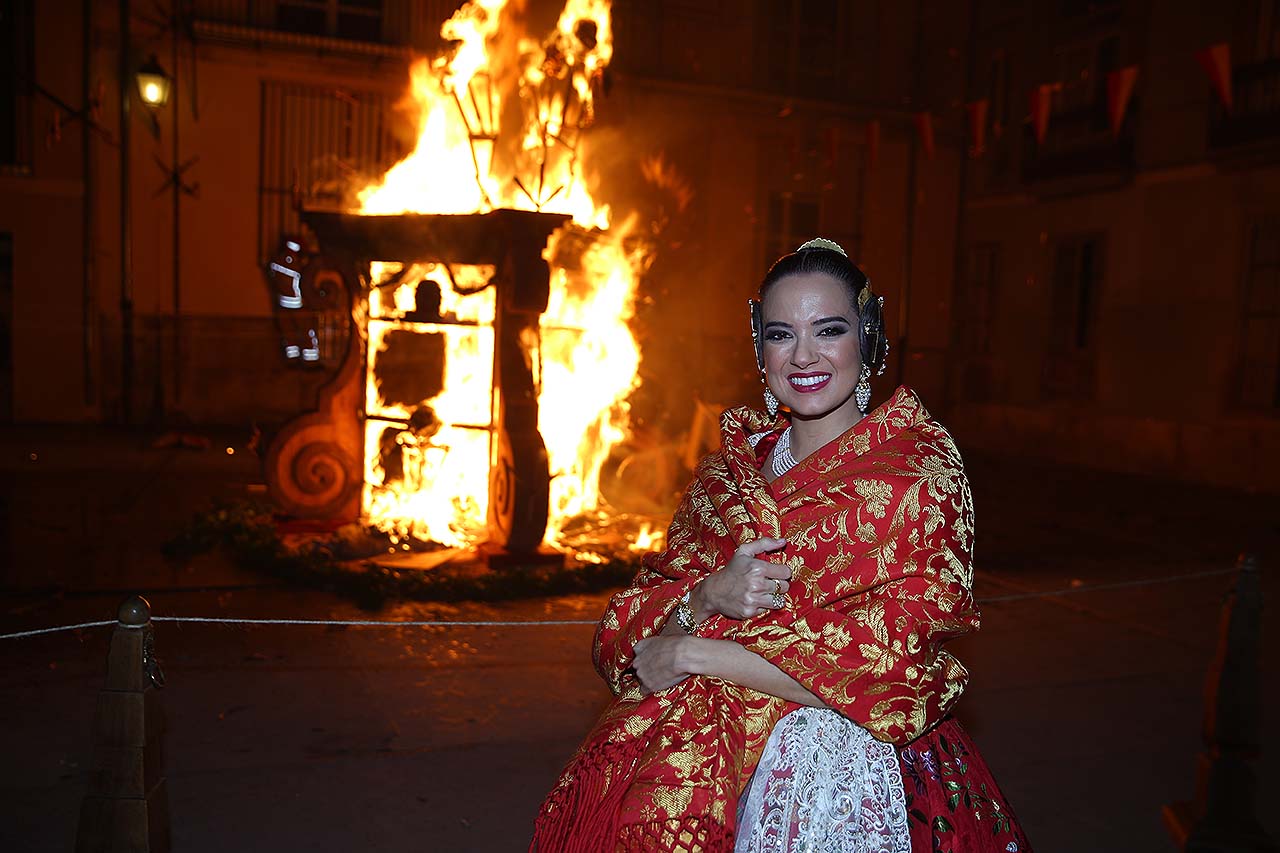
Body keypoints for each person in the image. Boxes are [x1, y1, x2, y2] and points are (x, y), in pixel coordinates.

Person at [531, 238, 1031, 853]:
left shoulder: (916, 476)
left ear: (868, 340)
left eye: (829, 330)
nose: (804, 355)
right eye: (780, 334)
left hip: (846, 778)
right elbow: (627, 639)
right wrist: (708, 594)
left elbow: (899, 672)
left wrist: (694, 653)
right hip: (697, 769)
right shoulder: (727, 478)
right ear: (759, 348)